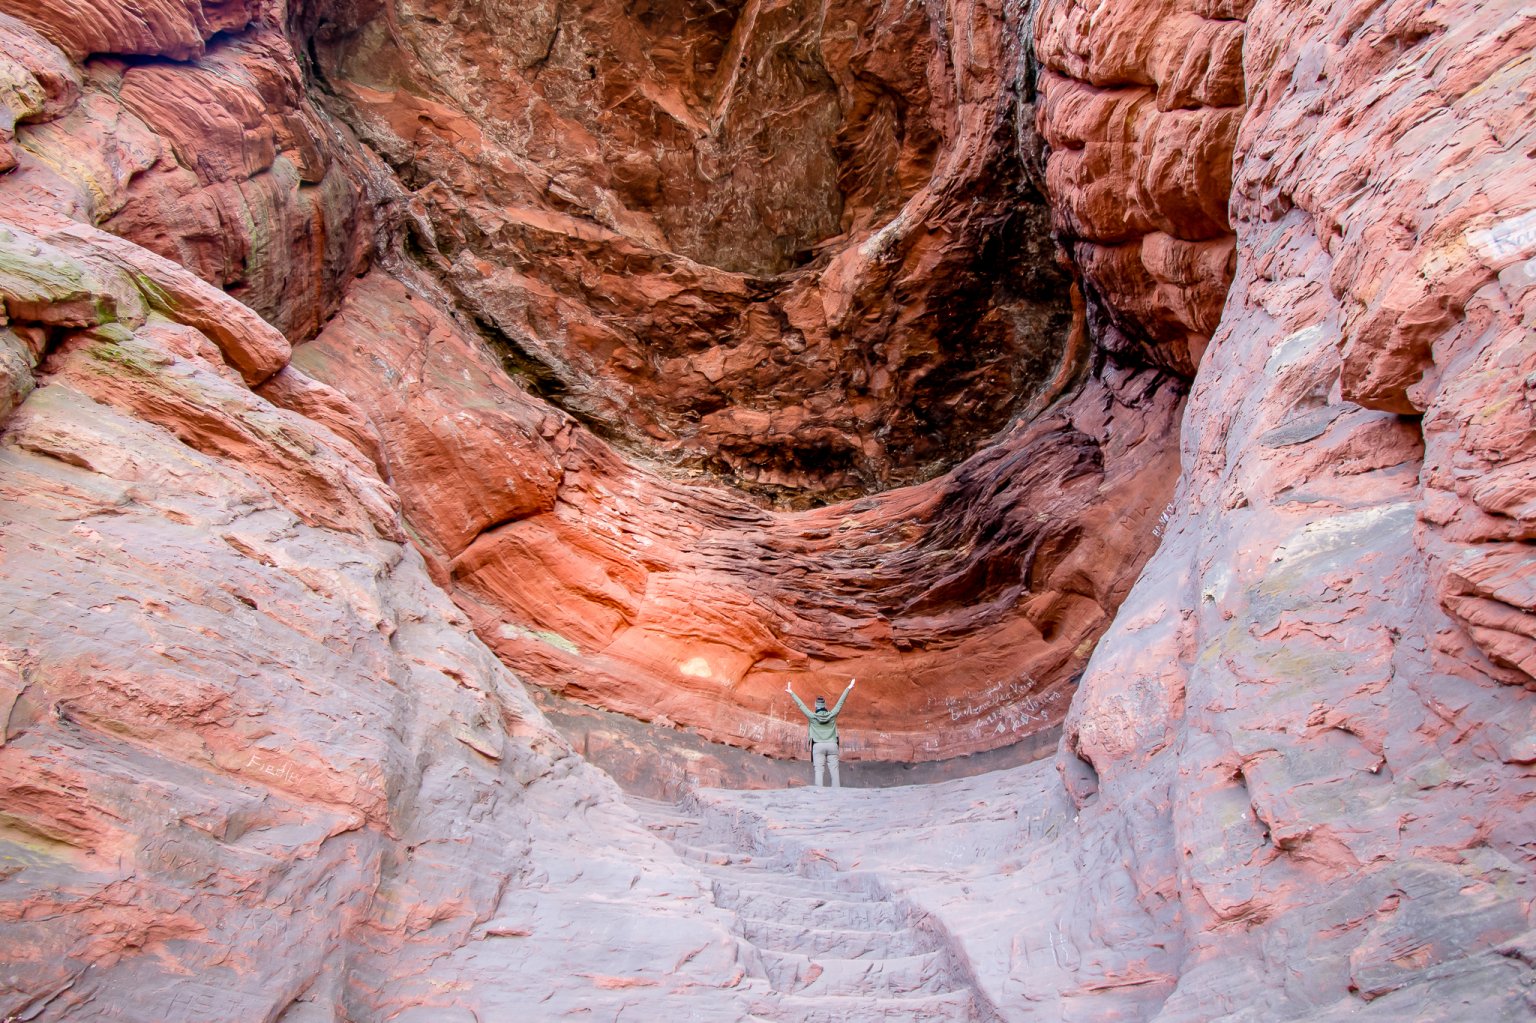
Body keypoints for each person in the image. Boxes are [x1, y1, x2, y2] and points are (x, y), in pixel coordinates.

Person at [786, 677, 855, 788]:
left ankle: (819, 794)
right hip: (832, 745)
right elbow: (840, 703)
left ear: (816, 706)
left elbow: (801, 705)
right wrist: (848, 688)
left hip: (818, 745)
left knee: (819, 770)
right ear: (825, 706)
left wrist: (791, 692)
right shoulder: (832, 715)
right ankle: (836, 793)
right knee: (834, 770)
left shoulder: (812, 716)